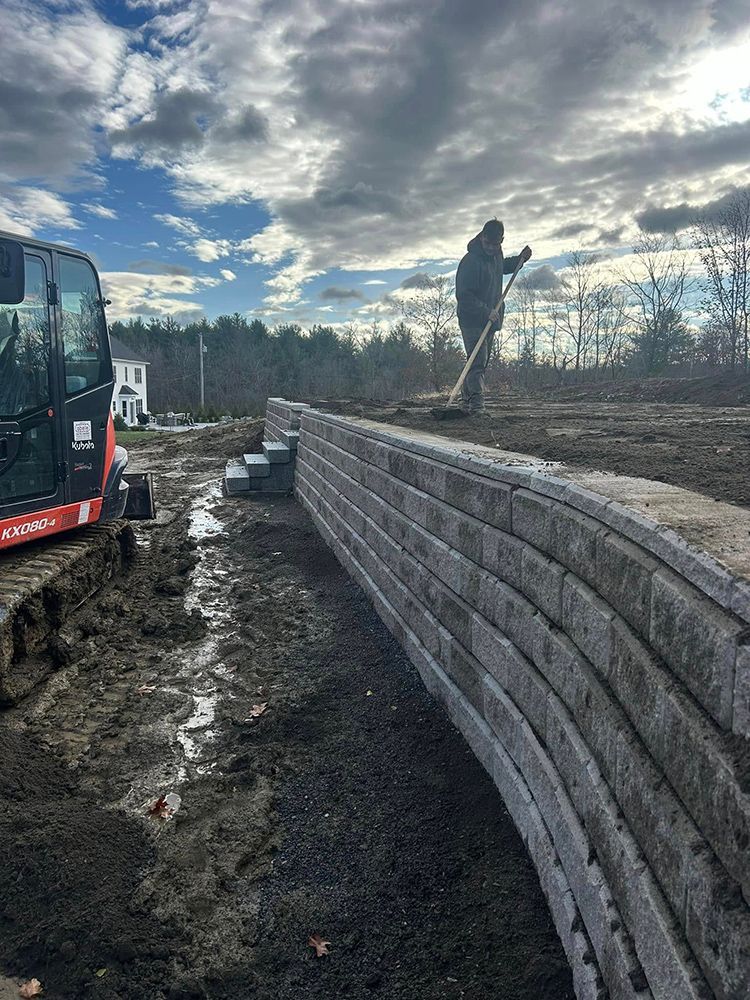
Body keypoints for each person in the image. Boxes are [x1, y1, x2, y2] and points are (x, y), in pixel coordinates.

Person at [455, 219, 531, 415]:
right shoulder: (470, 261)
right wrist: (485, 311)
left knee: (478, 361)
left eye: (495, 244)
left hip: (491, 318)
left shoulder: (496, 255)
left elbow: (502, 267)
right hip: (472, 319)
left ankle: (466, 402)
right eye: (487, 243)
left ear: (501, 241)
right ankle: (477, 406)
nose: (490, 248)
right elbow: (464, 296)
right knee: (477, 360)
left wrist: (520, 260)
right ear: (482, 237)